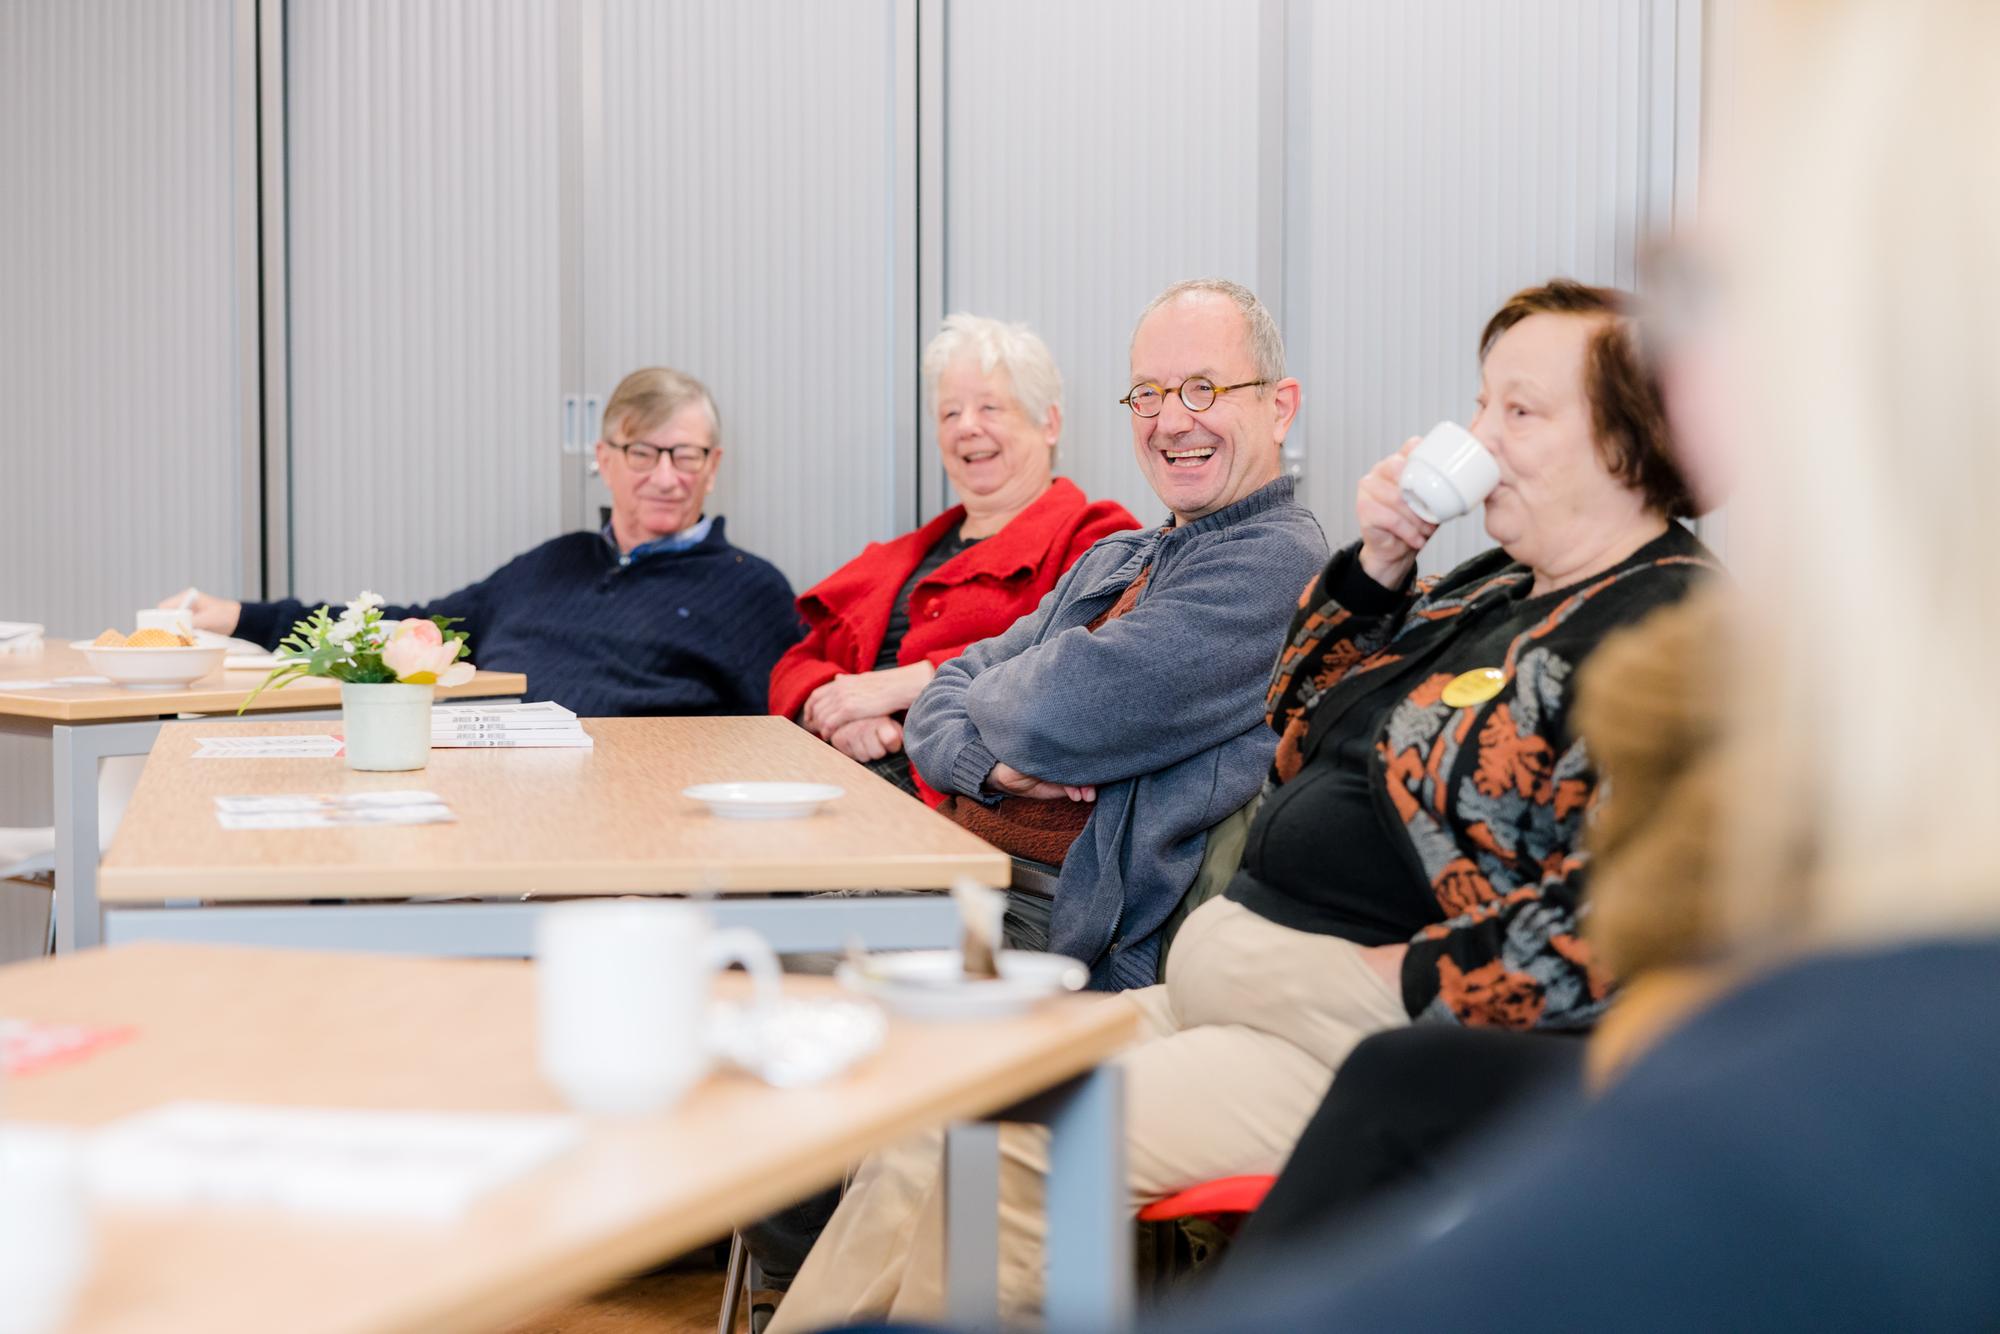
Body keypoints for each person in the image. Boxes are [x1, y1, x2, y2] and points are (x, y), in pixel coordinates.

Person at [770, 277, 1715, 1330]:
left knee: (1021, 1147)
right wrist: (1382, 564)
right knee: (933, 1118)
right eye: (1480, 405)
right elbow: (1297, 719)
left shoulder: (1668, 631)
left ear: (1631, 441)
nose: (1474, 437)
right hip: (1228, 977)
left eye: (1517, 411)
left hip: (1351, 1026)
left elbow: (1628, 920)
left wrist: (1385, 975)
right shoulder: (1491, 583)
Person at [902, 278, 1329, 981]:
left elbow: (1053, 713)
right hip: (963, 873)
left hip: (1056, 928)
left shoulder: (1280, 563)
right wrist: (989, 765)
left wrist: (1004, 700)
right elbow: (940, 693)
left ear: (1279, 408)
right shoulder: (1119, 555)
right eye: (1149, 395)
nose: (1171, 421)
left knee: (762, 968)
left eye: (1203, 389)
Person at [163, 368, 802, 717]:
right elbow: (408, 630)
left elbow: (784, 734)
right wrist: (242, 617)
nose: (666, 477)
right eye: (643, 453)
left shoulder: (749, 589)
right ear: (603, 460)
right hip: (477, 774)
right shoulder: (555, 564)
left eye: (685, 456)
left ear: (713, 466)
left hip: (627, 814)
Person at [768, 315, 1138, 799]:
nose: (967, 428)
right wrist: (840, 713)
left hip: (952, 800)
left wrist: (904, 686)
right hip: (835, 774)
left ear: (1048, 423)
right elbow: (791, 666)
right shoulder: (899, 557)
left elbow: (1084, 666)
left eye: (989, 407)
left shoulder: (1096, 535)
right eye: (949, 414)